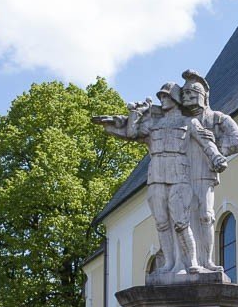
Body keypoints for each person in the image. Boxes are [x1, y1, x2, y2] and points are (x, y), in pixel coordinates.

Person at [94, 83, 225, 276]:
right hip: (156, 175)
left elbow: (206, 142)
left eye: (166, 96)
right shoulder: (153, 123)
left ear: (175, 99)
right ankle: (169, 264)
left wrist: (216, 157)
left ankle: (192, 262)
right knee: (162, 222)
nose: (162, 99)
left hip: (179, 174)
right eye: (161, 96)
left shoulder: (189, 122)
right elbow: (132, 133)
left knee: (181, 221)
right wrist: (134, 113)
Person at [180, 70, 238, 272]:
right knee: (184, 219)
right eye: (184, 94)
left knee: (206, 216)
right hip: (182, 175)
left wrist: (217, 149)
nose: (187, 96)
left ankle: (206, 261)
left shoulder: (218, 118)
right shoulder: (180, 122)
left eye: (192, 92)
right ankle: (189, 262)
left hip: (205, 175)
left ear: (204, 96)